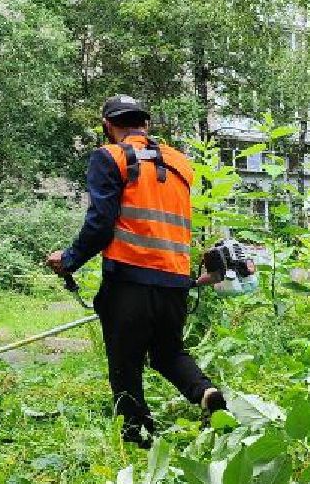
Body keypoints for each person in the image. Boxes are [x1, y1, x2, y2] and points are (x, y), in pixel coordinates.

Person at [46, 95, 225, 446]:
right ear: (145, 124)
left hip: (129, 280)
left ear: (109, 126)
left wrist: (67, 260)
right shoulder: (180, 163)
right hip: (174, 281)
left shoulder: (109, 157)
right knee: (168, 352)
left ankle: (137, 436)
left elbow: (100, 224)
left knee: (125, 360)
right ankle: (206, 392)